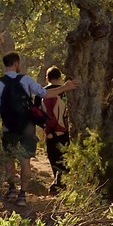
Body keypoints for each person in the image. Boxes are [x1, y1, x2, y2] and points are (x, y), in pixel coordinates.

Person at [0, 53, 76, 206]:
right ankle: (22, 195)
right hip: (27, 128)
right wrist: (65, 87)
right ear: (16, 63)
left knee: (9, 159)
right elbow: (45, 94)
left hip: (8, 128)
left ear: (5, 64)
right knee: (25, 161)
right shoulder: (26, 80)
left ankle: (11, 189)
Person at [41, 65, 74, 193]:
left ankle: (57, 181)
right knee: (63, 156)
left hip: (49, 131)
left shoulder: (42, 93)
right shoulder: (65, 91)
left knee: (53, 156)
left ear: (47, 78)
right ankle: (61, 182)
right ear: (60, 78)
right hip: (63, 129)